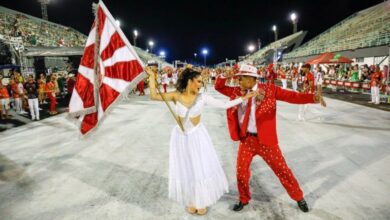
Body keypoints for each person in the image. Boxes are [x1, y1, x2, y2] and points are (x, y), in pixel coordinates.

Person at [145, 66, 257, 216]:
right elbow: (153, 95)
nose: (201, 84)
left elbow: (224, 105)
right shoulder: (175, 95)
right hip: (180, 137)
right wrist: (152, 77)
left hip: (197, 137)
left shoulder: (202, 97)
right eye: (198, 81)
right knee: (187, 169)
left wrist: (244, 98)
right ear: (189, 81)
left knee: (199, 168)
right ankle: (192, 200)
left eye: (202, 82)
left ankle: (201, 200)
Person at [215, 63, 326, 213]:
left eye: (241, 78)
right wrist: (224, 76)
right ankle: (243, 199)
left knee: (282, 170)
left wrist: (313, 98)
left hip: (266, 141)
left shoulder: (269, 89)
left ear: (252, 78)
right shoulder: (237, 91)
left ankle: (298, 197)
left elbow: (292, 96)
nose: (238, 80)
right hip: (247, 140)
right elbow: (219, 87)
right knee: (241, 171)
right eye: (238, 78)